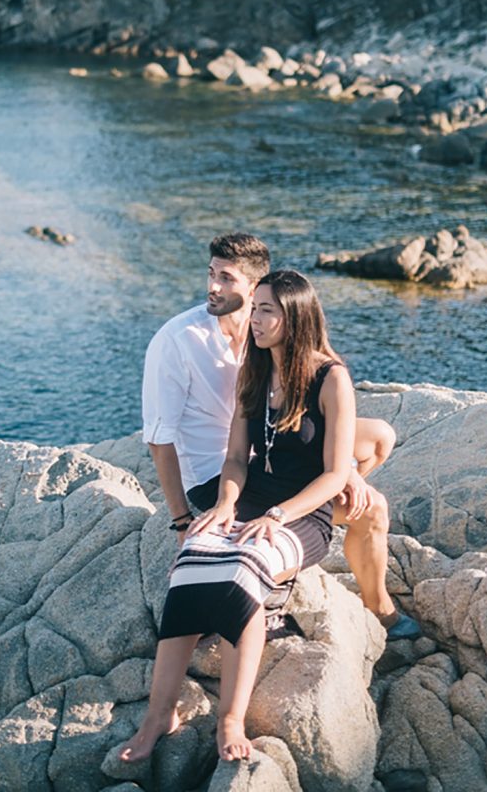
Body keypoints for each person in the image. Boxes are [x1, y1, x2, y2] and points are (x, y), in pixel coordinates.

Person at [121, 270, 356, 764]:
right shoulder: (254, 369)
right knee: (190, 560)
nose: (256, 319)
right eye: (257, 308)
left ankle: (231, 717)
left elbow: (336, 476)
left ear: (295, 317)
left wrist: (277, 515)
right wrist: (225, 505)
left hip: (305, 515)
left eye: (267, 309)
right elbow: (234, 459)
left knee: (244, 570)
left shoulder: (331, 379)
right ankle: (157, 715)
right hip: (251, 498)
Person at [142, 232, 419, 638]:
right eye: (211, 274)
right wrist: (183, 522)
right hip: (219, 473)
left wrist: (345, 473)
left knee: (379, 436)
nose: (212, 287)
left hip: (273, 449)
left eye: (227, 278)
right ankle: (379, 606)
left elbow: (314, 404)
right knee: (373, 507)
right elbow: (158, 439)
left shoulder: (269, 330)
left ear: (257, 288)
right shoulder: (177, 341)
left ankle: (359, 581)